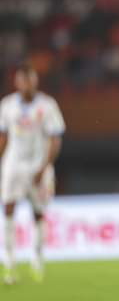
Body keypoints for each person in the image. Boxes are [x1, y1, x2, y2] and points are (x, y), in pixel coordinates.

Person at [0, 64, 65, 284]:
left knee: (38, 212)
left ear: (35, 81)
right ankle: (9, 262)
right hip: (13, 165)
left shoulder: (47, 105)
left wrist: (44, 167)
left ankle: (37, 258)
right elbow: (3, 137)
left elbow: (55, 139)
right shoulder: (7, 106)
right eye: (22, 80)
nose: (26, 84)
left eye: (30, 80)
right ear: (16, 82)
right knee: (8, 208)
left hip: (39, 164)